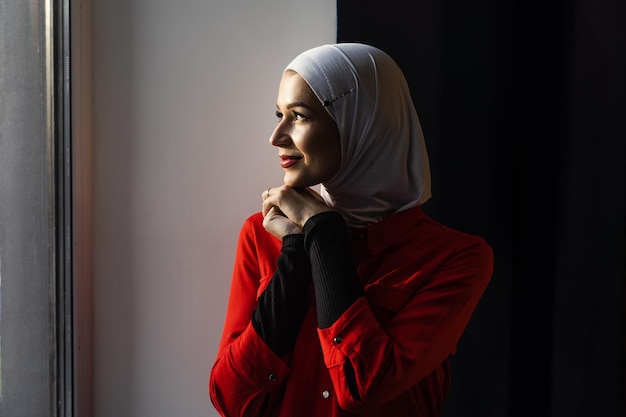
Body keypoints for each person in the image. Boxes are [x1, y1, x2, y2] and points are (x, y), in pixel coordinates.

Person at [209, 43, 494, 417]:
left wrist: (323, 233)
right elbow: (230, 398)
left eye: (299, 116)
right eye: (279, 114)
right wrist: (295, 252)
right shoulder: (263, 234)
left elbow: (364, 387)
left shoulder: (455, 259)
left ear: (363, 123)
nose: (276, 136)